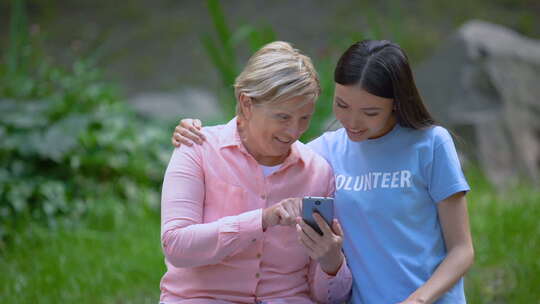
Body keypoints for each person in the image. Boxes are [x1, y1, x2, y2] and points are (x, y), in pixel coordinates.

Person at [172, 40, 475, 304]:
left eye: (370, 112)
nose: (353, 122)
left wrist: (418, 301)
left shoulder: (430, 144)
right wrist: (198, 135)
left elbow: (462, 249)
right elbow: (260, 135)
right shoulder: (322, 154)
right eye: (342, 106)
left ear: (397, 104)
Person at [160, 41, 352, 304]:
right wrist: (262, 219)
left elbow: (326, 297)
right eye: (283, 117)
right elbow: (177, 247)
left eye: (304, 118)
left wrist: (331, 263)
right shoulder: (198, 149)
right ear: (246, 103)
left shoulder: (318, 172)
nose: (294, 132)